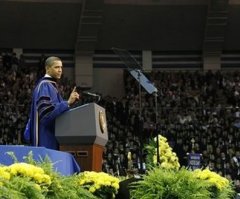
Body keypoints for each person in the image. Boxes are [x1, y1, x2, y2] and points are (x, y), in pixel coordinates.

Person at [24, 56, 79, 150]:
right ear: (47, 68)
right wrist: (67, 103)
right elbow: (47, 114)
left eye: (61, 67)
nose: (60, 70)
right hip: (45, 138)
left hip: (51, 137)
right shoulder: (45, 85)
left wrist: (70, 104)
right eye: (56, 67)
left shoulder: (51, 86)